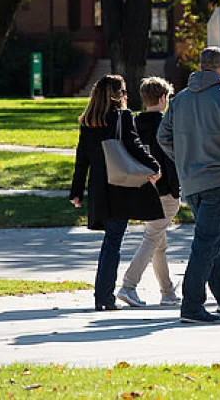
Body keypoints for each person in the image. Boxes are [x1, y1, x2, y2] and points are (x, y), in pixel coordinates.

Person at [158, 47, 220, 323]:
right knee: (206, 243)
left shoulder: (180, 100)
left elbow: (162, 136)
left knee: (211, 241)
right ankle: (191, 305)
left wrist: (184, 161)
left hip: (193, 182)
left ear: (201, 66)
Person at [70, 75, 162, 311]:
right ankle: (104, 296)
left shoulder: (89, 121)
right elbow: (134, 145)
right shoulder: (122, 117)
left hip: (99, 188)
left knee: (109, 241)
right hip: (119, 186)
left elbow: (82, 159)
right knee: (114, 241)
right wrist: (153, 166)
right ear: (118, 95)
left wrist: (76, 191)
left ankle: (103, 295)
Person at [117, 77, 182, 307]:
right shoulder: (167, 125)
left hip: (142, 189)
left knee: (158, 242)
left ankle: (167, 292)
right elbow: (172, 160)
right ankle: (129, 285)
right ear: (163, 98)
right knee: (152, 238)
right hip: (165, 191)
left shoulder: (133, 123)